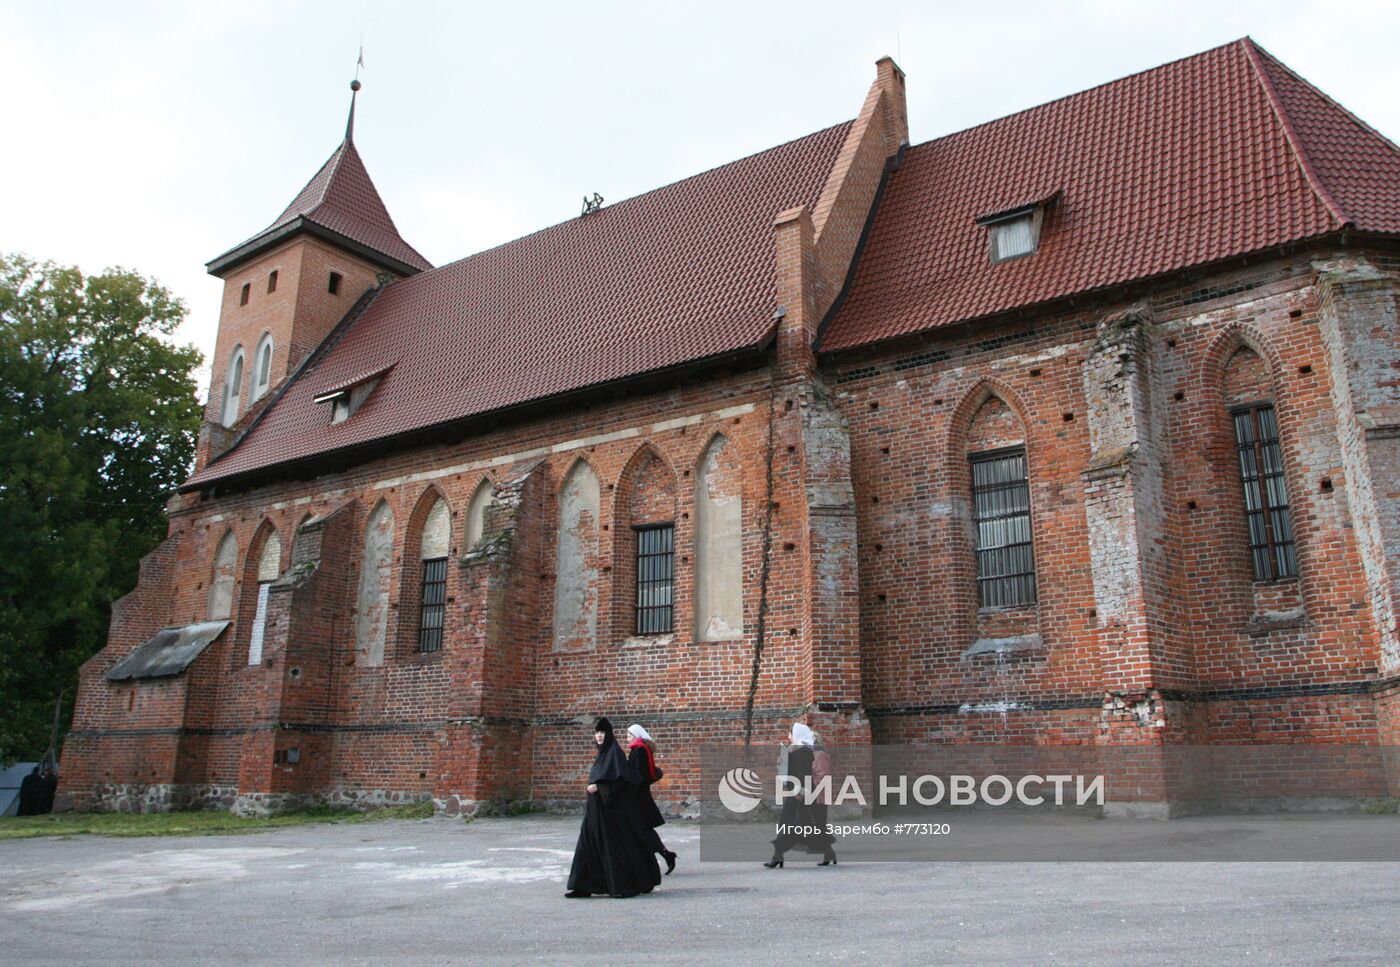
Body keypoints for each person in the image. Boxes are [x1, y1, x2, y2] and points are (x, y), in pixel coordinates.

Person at [566, 717, 662, 898]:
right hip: (594, 811)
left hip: (607, 813)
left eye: (602, 733)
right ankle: (582, 886)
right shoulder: (602, 754)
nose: (599, 736)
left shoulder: (615, 754)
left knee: (610, 850)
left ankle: (619, 886)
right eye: (597, 733)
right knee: (586, 846)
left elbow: (623, 783)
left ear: (609, 735)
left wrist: (599, 787)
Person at [764, 722, 837, 868]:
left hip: (806, 795)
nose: (789, 737)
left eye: (791, 734)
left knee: (804, 825)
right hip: (798, 793)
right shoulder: (796, 751)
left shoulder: (811, 753)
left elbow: (814, 776)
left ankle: (779, 855)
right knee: (795, 824)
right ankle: (778, 855)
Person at [626, 724, 678, 874]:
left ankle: (661, 857)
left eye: (629, 735)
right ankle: (665, 855)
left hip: (638, 797)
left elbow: (640, 775)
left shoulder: (639, 750)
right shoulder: (641, 749)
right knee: (642, 829)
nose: (627, 738)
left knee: (642, 830)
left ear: (636, 735)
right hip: (640, 796)